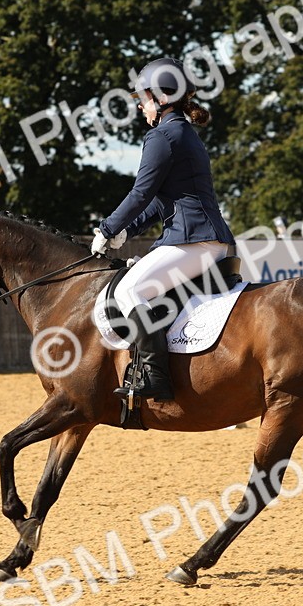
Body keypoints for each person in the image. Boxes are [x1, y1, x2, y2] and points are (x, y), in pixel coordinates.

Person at [91, 57, 235, 402]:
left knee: (128, 292)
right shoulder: (183, 133)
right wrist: (129, 229)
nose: (141, 108)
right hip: (206, 239)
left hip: (193, 240)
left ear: (160, 98)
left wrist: (108, 228)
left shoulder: (163, 136)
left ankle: (155, 376)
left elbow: (141, 192)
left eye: (142, 100)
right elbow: (161, 201)